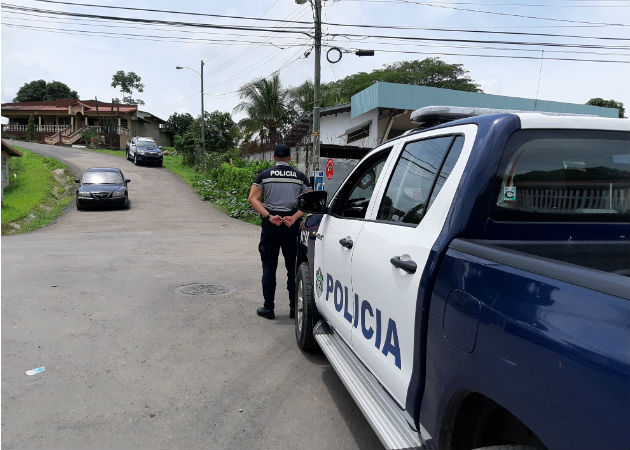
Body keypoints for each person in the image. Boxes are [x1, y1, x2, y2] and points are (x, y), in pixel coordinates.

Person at [248, 143, 312, 320]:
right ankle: (294, 309)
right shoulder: (300, 177)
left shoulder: (264, 175)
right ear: (290, 158)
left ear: (274, 157)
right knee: (293, 268)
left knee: (269, 267)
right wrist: (294, 217)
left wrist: (269, 216)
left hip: (271, 226)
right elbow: (310, 201)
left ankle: (269, 309)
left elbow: (252, 198)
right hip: (292, 226)